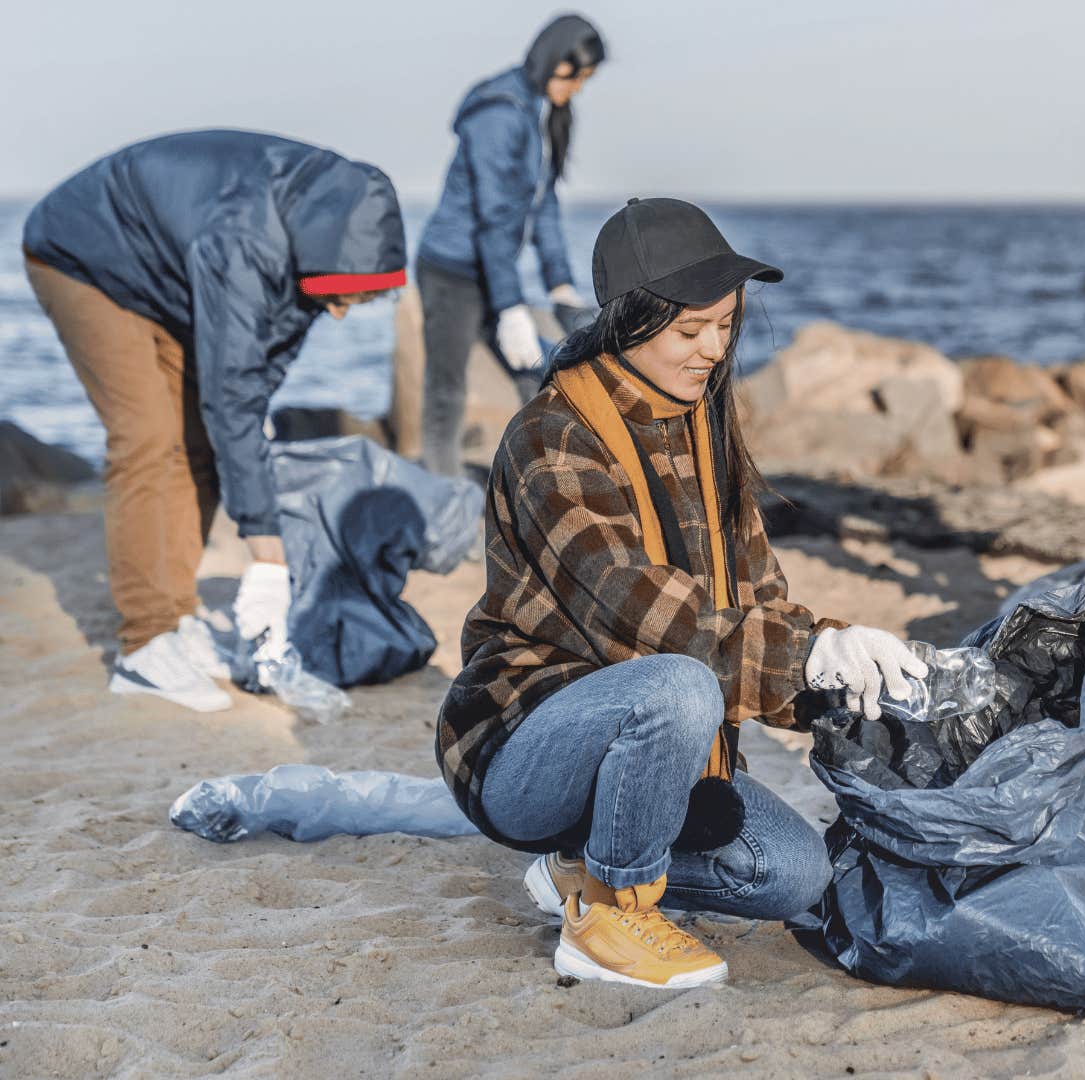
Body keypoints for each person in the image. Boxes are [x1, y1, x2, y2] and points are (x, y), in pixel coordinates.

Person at [437, 198, 927, 989]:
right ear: (633, 320)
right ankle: (607, 915)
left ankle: (574, 869)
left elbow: (759, 605)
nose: (713, 349)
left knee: (793, 876)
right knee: (677, 682)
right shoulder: (551, 436)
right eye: (690, 330)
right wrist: (807, 659)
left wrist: (846, 668)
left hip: (655, 742)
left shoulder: (706, 429)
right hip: (526, 741)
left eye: (726, 326)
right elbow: (642, 613)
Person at [21, 130, 407, 713]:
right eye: (339, 297)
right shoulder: (243, 241)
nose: (339, 312)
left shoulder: (319, 242)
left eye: (356, 300)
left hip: (165, 277)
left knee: (200, 441)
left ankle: (175, 619)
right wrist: (268, 556)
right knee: (148, 436)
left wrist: (253, 452)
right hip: (82, 257)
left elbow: (253, 384)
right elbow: (232, 393)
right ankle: (146, 645)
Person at [409, 13, 606, 477]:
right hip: (451, 271)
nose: (576, 87)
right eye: (572, 74)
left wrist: (560, 285)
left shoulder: (542, 113)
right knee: (447, 388)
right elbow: (494, 219)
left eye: (586, 79)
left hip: (492, 268)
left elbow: (544, 205)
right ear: (550, 60)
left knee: (535, 372)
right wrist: (511, 307)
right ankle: (443, 495)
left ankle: (544, 484)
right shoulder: (500, 114)